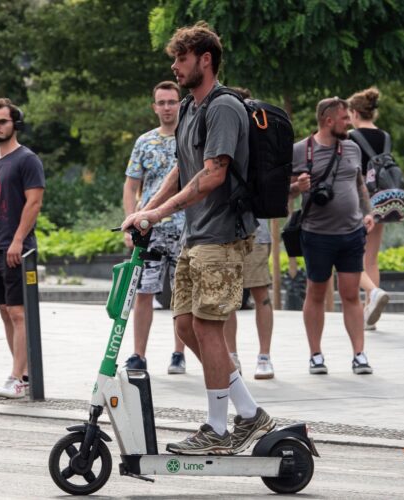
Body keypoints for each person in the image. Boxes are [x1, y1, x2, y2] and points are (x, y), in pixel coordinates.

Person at [122, 23, 275, 456]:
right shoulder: (191, 106)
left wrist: (158, 213)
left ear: (205, 60)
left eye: (182, 58)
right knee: (186, 325)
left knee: (208, 327)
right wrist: (145, 210)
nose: (175, 66)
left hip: (222, 236)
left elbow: (212, 175)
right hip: (196, 234)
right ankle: (249, 413)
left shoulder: (223, 107)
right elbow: (182, 169)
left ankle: (217, 429)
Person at [290, 97, 375, 375]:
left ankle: (359, 354)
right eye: (344, 118)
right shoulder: (300, 151)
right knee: (315, 293)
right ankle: (315, 355)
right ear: (328, 121)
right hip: (317, 235)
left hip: (351, 233)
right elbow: (282, 193)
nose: (349, 123)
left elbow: (359, 183)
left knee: (351, 294)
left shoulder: (352, 148)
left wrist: (368, 212)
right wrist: (297, 187)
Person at [0, 98, 45, 399]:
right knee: (5, 312)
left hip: (17, 249)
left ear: (15, 124)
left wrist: (17, 240)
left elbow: (34, 202)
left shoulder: (27, 160)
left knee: (19, 313)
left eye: (2, 121)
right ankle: (23, 374)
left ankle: (17, 378)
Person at [122, 80, 187, 374]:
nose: (167, 107)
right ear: (154, 107)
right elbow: (131, 185)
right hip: (150, 229)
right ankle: (139, 354)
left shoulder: (188, 138)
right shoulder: (145, 142)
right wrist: (130, 222)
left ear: (180, 104)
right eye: (161, 103)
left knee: (181, 291)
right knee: (144, 290)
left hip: (185, 227)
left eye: (172, 102)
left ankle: (179, 353)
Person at [347, 88, 391, 331]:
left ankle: (371, 298)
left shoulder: (350, 137)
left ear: (354, 112)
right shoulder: (385, 136)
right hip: (382, 199)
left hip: (358, 200)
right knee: (371, 258)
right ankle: (369, 312)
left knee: (353, 257)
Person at [223, 219, 275, 379]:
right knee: (227, 297)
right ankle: (231, 357)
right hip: (221, 234)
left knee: (261, 293)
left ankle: (264, 357)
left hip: (255, 233)